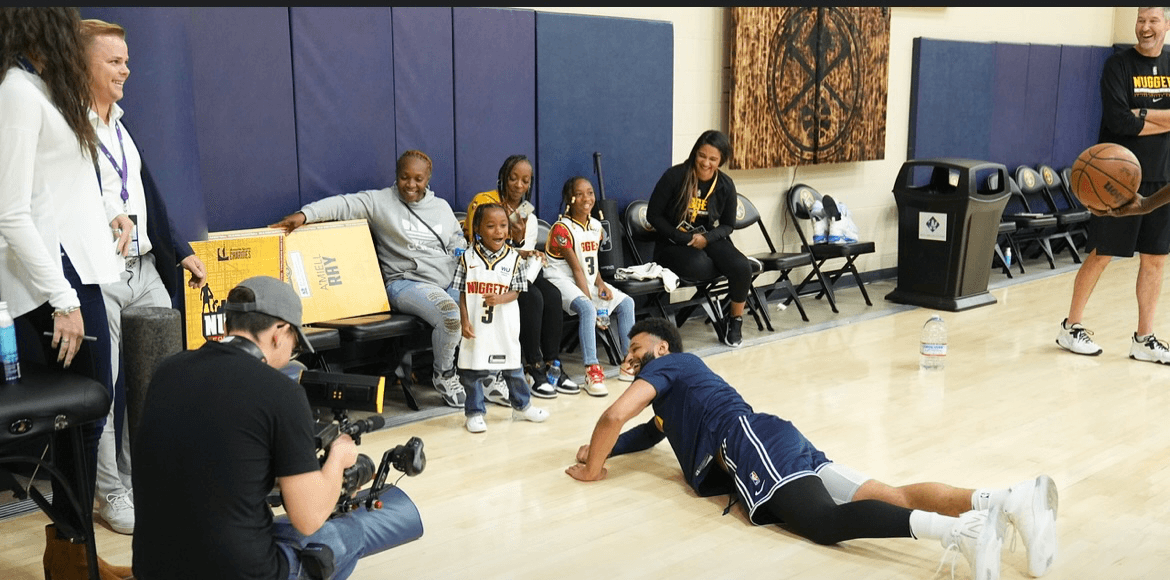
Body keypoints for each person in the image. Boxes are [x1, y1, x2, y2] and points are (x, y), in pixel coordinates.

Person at [567, 317, 1060, 580]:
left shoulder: (669, 366)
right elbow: (646, 432)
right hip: (778, 441)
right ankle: (1006, 500)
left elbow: (614, 416)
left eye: (636, 349)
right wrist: (599, 451)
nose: (629, 358)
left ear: (661, 349)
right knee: (894, 497)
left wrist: (591, 471)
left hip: (752, 442)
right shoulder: (672, 396)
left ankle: (962, 532)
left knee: (822, 523)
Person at [133, 276, 423, 579]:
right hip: (239, 573)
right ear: (278, 332)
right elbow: (308, 518)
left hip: (152, 567)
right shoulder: (281, 392)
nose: (292, 352)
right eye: (295, 343)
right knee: (350, 533)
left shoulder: (168, 370)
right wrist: (338, 458)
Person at [0, 7, 132, 578]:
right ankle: (73, 551)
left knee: (85, 417)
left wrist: (111, 210)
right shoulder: (17, 92)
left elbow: (67, 181)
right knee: (84, 411)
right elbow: (11, 213)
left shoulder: (42, 89)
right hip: (54, 281)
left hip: (77, 269)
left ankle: (73, 551)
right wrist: (63, 299)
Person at [80, 17, 209, 536]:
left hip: (145, 270)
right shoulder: (66, 126)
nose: (126, 70)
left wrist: (180, 251)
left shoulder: (120, 125)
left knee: (159, 382)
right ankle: (110, 490)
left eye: (127, 61)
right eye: (114, 61)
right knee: (106, 388)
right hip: (100, 276)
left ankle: (143, 480)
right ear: (81, 64)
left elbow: (146, 196)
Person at [272, 150, 468, 407]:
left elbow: (456, 242)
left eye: (418, 179)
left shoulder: (441, 207)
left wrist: (463, 259)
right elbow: (343, 204)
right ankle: (444, 375)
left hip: (446, 281)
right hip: (406, 283)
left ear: (428, 179)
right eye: (404, 177)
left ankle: (483, 375)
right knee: (450, 315)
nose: (410, 184)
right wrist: (304, 215)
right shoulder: (380, 202)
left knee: (481, 304)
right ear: (396, 175)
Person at [1057, 6, 1170, 363]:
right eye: (1140, 20)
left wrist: (1142, 115)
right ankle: (1070, 326)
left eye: (1153, 20)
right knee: (1102, 253)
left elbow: (1135, 118)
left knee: (1156, 259)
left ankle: (1144, 338)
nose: (1145, 27)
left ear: (1167, 24)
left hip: (1163, 175)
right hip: (1116, 181)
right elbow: (1121, 121)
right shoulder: (1118, 66)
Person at [464, 154, 578, 400]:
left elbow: (522, 255)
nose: (518, 185)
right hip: (490, 273)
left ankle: (553, 364)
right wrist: (516, 244)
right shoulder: (485, 204)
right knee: (532, 297)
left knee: (552, 294)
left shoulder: (529, 215)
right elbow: (480, 247)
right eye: (513, 178)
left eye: (525, 181)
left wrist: (527, 251)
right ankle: (532, 365)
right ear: (503, 178)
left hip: (518, 270)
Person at [646, 129, 754, 348]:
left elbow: (728, 225)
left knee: (742, 267)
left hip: (707, 239)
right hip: (673, 242)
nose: (706, 163)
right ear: (695, 153)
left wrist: (708, 238)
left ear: (721, 160)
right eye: (702, 156)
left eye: (713, 159)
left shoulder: (725, 184)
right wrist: (681, 236)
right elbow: (653, 215)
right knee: (701, 267)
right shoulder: (675, 176)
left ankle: (735, 321)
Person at [456, 203, 549, 433]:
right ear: (477, 228)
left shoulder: (514, 259)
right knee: (472, 372)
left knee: (513, 369)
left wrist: (500, 298)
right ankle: (475, 413)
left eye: (503, 225)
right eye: (491, 226)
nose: (498, 231)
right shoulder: (467, 258)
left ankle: (522, 406)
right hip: (476, 326)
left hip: (504, 325)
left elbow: (517, 291)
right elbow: (462, 293)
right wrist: (464, 321)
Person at [543, 176, 636, 396]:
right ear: (570, 198)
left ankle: (629, 361)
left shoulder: (596, 226)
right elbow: (576, 268)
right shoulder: (561, 229)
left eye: (590, 192)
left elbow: (590, 262)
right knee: (587, 308)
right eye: (580, 194)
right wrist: (592, 304)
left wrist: (601, 283)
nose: (587, 198)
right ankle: (591, 370)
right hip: (561, 279)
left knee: (627, 303)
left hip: (585, 279)